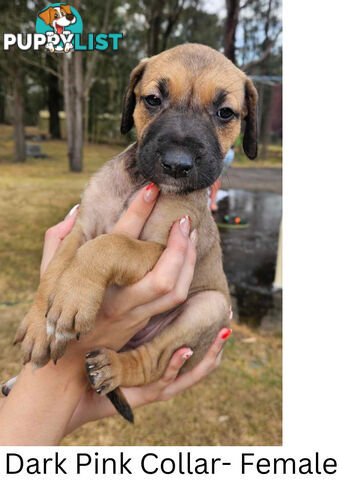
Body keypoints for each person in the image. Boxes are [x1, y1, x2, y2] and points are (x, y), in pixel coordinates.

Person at [0, 184, 231, 446]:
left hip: (172, 319)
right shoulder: (112, 178)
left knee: (213, 306)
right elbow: (81, 241)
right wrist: (45, 306)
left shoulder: (187, 200)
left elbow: (157, 258)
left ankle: (137, 365)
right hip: (117, 321)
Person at [209, 147, 235, 212]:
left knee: (215, 180)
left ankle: (212, 203)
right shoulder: (231, 152)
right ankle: (212, 203)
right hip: (223, 155)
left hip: (220, 155)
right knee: (216, 180)